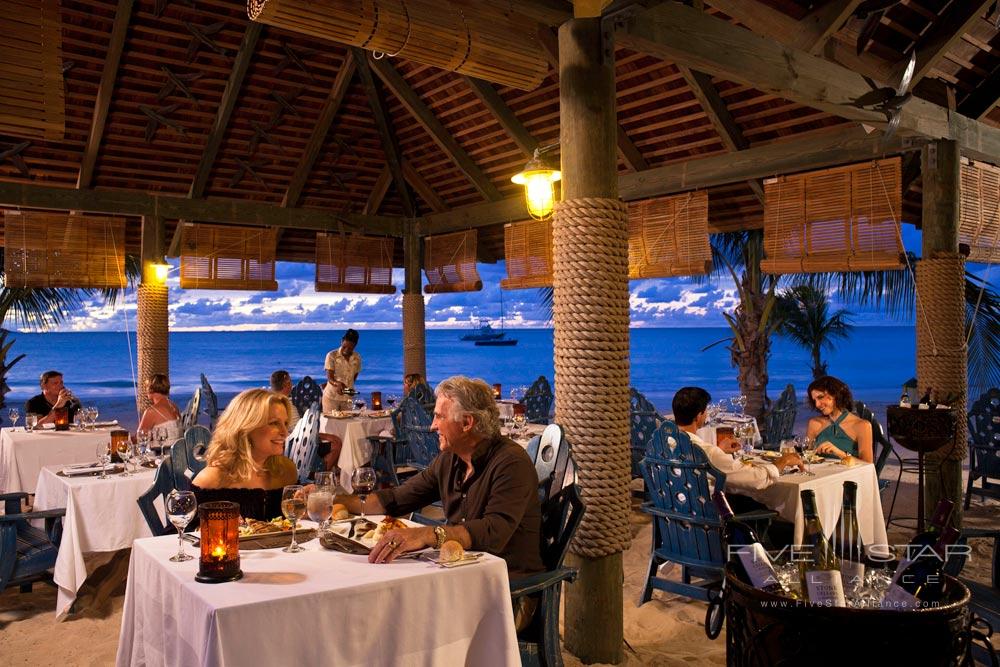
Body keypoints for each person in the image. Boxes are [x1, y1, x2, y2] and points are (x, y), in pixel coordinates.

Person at [331, 376, 543, 628]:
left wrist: (429, 534)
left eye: (440, 417)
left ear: (466, 422)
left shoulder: (510, 463)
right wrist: (334, 499)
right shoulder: (450, 460)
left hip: (508, 592)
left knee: (408, 618)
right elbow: (396, 500)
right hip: (461, 578)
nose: (432, 426)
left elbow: (494, 531)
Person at [672, 387, 802, 513]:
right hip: (706, 518)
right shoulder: (708, 452)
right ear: (699, 416)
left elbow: (702, 457)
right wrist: (781, 462)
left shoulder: (665, 445)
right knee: (758, 505)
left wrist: (719, 450)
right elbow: (755, 479)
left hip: (673, 513)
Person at [191, 389, 299, 520]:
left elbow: (294, 525)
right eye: (274, 423)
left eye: (285, 423)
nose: (285, 432)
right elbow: (177, 533)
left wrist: (307, 504)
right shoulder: (211, 479)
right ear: (246, 427)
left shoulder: (286, 471)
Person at [272, 369, 342, 471]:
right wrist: (322, 435)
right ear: (286, 383)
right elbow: (296, 430)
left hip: (294, 441)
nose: (291, 384)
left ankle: (321, 471)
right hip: (299, 445)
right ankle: (319, 475)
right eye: (290, 381)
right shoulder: (284, 404)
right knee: (337, 442)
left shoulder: (275, 400)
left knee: (329, 438)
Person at [805, 375, 873, 464]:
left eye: (820, 397)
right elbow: (807, 458)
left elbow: (868, 465)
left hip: (849, 476)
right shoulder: (814, 423)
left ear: (835, 394)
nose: (817, 404)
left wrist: (840, 453)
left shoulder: (862, 426)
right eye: (814, 400)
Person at [322, 329, 361, 413]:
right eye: (344, 346)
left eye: (350, 348)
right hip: (331, 397)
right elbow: (330, 378)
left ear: (355, 345)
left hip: (347, 398)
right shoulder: (331, 355)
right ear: (342, 341)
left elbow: (354, 376)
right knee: (331, 423)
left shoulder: (357, 357)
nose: (346, 350)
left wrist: (350, 388)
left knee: (348, 423)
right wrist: (338, 384)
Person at [137, 374, 183, 442]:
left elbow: (140, 438)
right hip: (177, 450)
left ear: (151, 388)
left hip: (162, 451)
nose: (146, 390)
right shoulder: (174, 406)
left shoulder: (151, 411)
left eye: (147, 387)